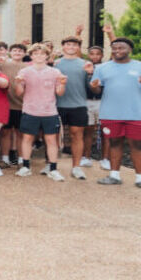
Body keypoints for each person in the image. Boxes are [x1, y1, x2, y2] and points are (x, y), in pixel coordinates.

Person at [91, 37, 141, 191]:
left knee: (137, 144)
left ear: (130, 50)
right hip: (110, 113)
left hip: (136, 113)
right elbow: (96, 89)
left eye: (121, 48)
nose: (117, 51)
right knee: (114, 143)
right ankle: (114, 176)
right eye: (114, 48)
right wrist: (93, 85)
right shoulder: (102, 68)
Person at [13, 44, 66, 182]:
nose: (39, 56)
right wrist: (18, 83)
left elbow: (59, 92)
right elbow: (19, 93)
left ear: (47, 56)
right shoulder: (25, 71)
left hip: (49, 111)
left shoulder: (55, 72)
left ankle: (53, 169)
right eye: (35, 54)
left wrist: (63, 83)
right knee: (27, 139)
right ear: (31, 56)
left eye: (42, 54)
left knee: (51, 140)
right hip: (30, 110)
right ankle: (25, 166)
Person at [54, 37, 91, 179]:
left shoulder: (85, 64)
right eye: (67, 44)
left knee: (77, 136)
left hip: (78, 105)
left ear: (78, 48)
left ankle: (76, 167)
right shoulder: (55, 64)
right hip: (57, 105)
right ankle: (51, 165)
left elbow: (91, 87)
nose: (71, 47)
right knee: (53, 137)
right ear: (63, 46)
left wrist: (90, 74)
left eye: (74, 45)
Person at [0, 43, 27, 167]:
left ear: (24, 54)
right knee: (5, 132)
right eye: (15, 50)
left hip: (22, 105)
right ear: (10, 52)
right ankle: (4, 158)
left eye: (20, 51)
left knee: (21, 133)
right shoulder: (3, 64)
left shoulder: (27, 67)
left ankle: (21, 159)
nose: (17, 53)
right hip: (6, 104)